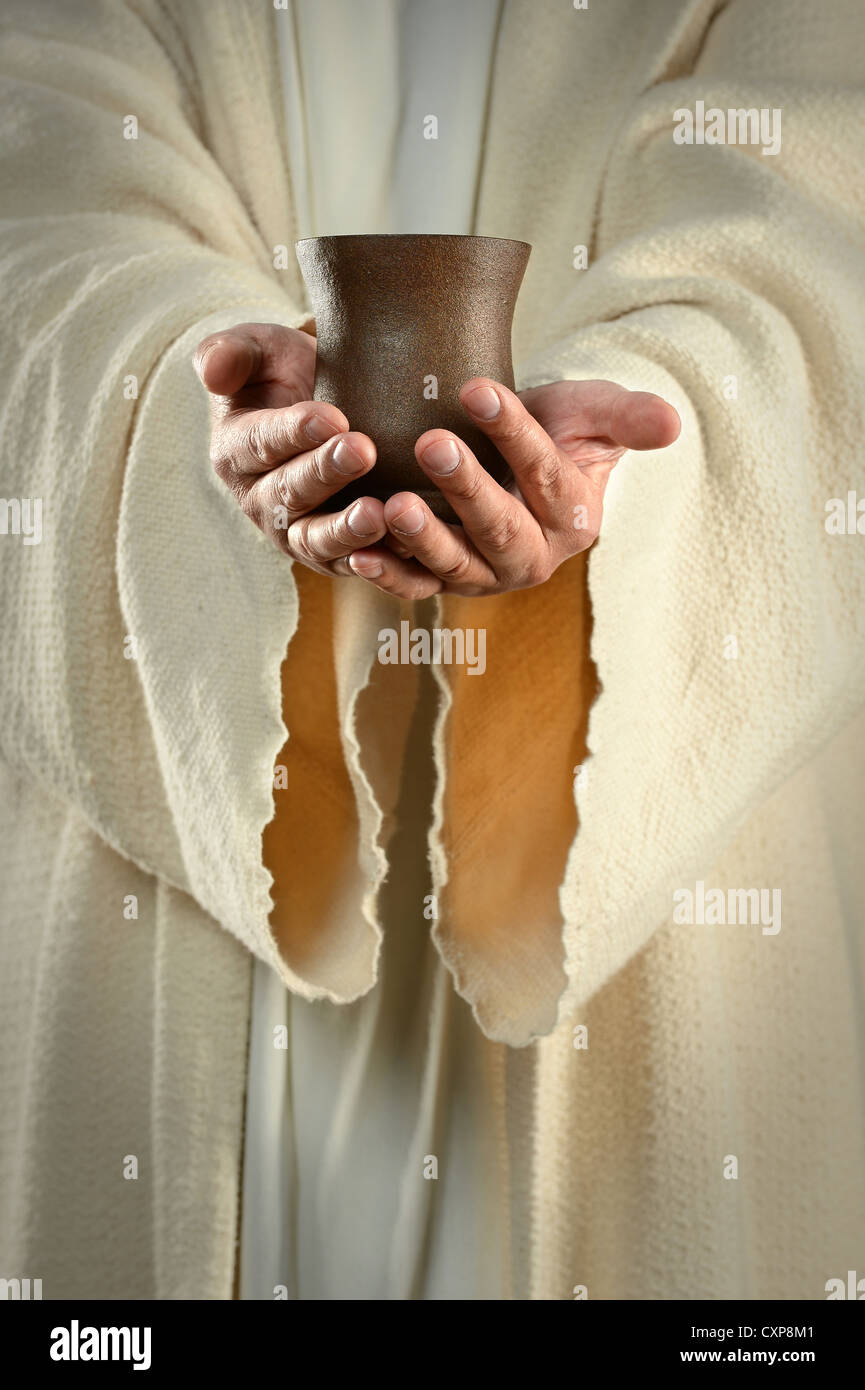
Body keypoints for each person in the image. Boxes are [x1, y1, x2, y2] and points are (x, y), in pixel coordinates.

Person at [1, 0, 864, 1301]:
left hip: (651, 905)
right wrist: (201, 408)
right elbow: (35, 214)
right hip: (179, 873)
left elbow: (816, 235)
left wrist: (620, 463)